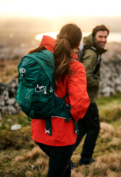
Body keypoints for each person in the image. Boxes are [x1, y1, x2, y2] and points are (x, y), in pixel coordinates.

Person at [30, 24, 90, 177]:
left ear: (57, 38)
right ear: (77, 45)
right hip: (60, 138)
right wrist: (69, 118)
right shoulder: (75, 67)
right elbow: (79, 106)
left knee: (65, 168)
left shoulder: (43, 62)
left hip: (39, 132)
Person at [73, 25, 109, 166]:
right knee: (94, 128)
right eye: (100, 36)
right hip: (87, 98)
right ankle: (85, 159)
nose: (103, 39)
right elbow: (85, 75)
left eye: (105, 37)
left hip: (81, 96)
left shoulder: (87, 48)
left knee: (82, 128)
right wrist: (97, 83)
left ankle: (65, 158)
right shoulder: (92, 53)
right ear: (94, 36)